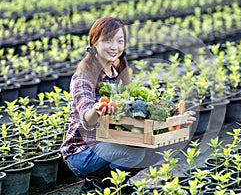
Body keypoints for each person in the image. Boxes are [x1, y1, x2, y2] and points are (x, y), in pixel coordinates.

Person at [59, 16, 196, 194]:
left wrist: (174, 122)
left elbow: (133, 116)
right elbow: (86, 118)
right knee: (137, 153)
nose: (114, 46)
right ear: (94, 42)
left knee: (154, 144)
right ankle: (100, 182)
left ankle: (112, 183)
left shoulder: (117, 73)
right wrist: (97, 109)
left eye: (120, 41)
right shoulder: (84, 76)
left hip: (110, 141)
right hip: (82, 152)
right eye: (108, 40)